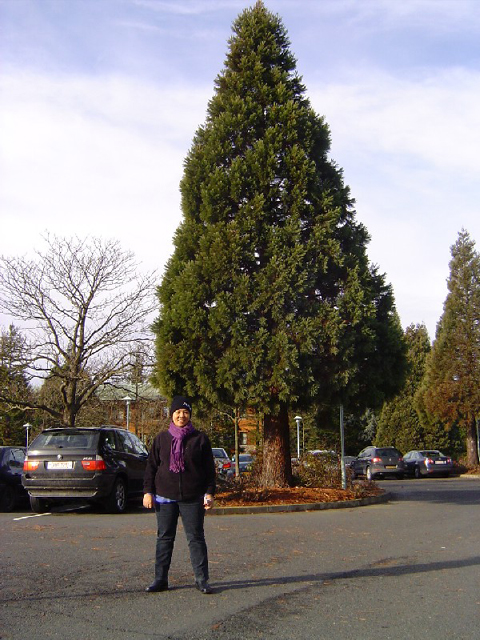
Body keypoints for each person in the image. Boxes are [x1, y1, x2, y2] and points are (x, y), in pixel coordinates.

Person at [143, 395, 216, 594]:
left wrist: (209, 493)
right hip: (165, 496)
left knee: (196, 538)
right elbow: (151, 467)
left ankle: (202, 580)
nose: (181, 416)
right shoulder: (161, 439)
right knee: (164, 538)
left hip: (193, 497)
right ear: (171, 414)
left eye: (185, 412)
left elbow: (209, 469)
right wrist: (148, 492)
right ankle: (160, 579)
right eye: (177, 412)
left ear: (189, 414)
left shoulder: (200, 439)